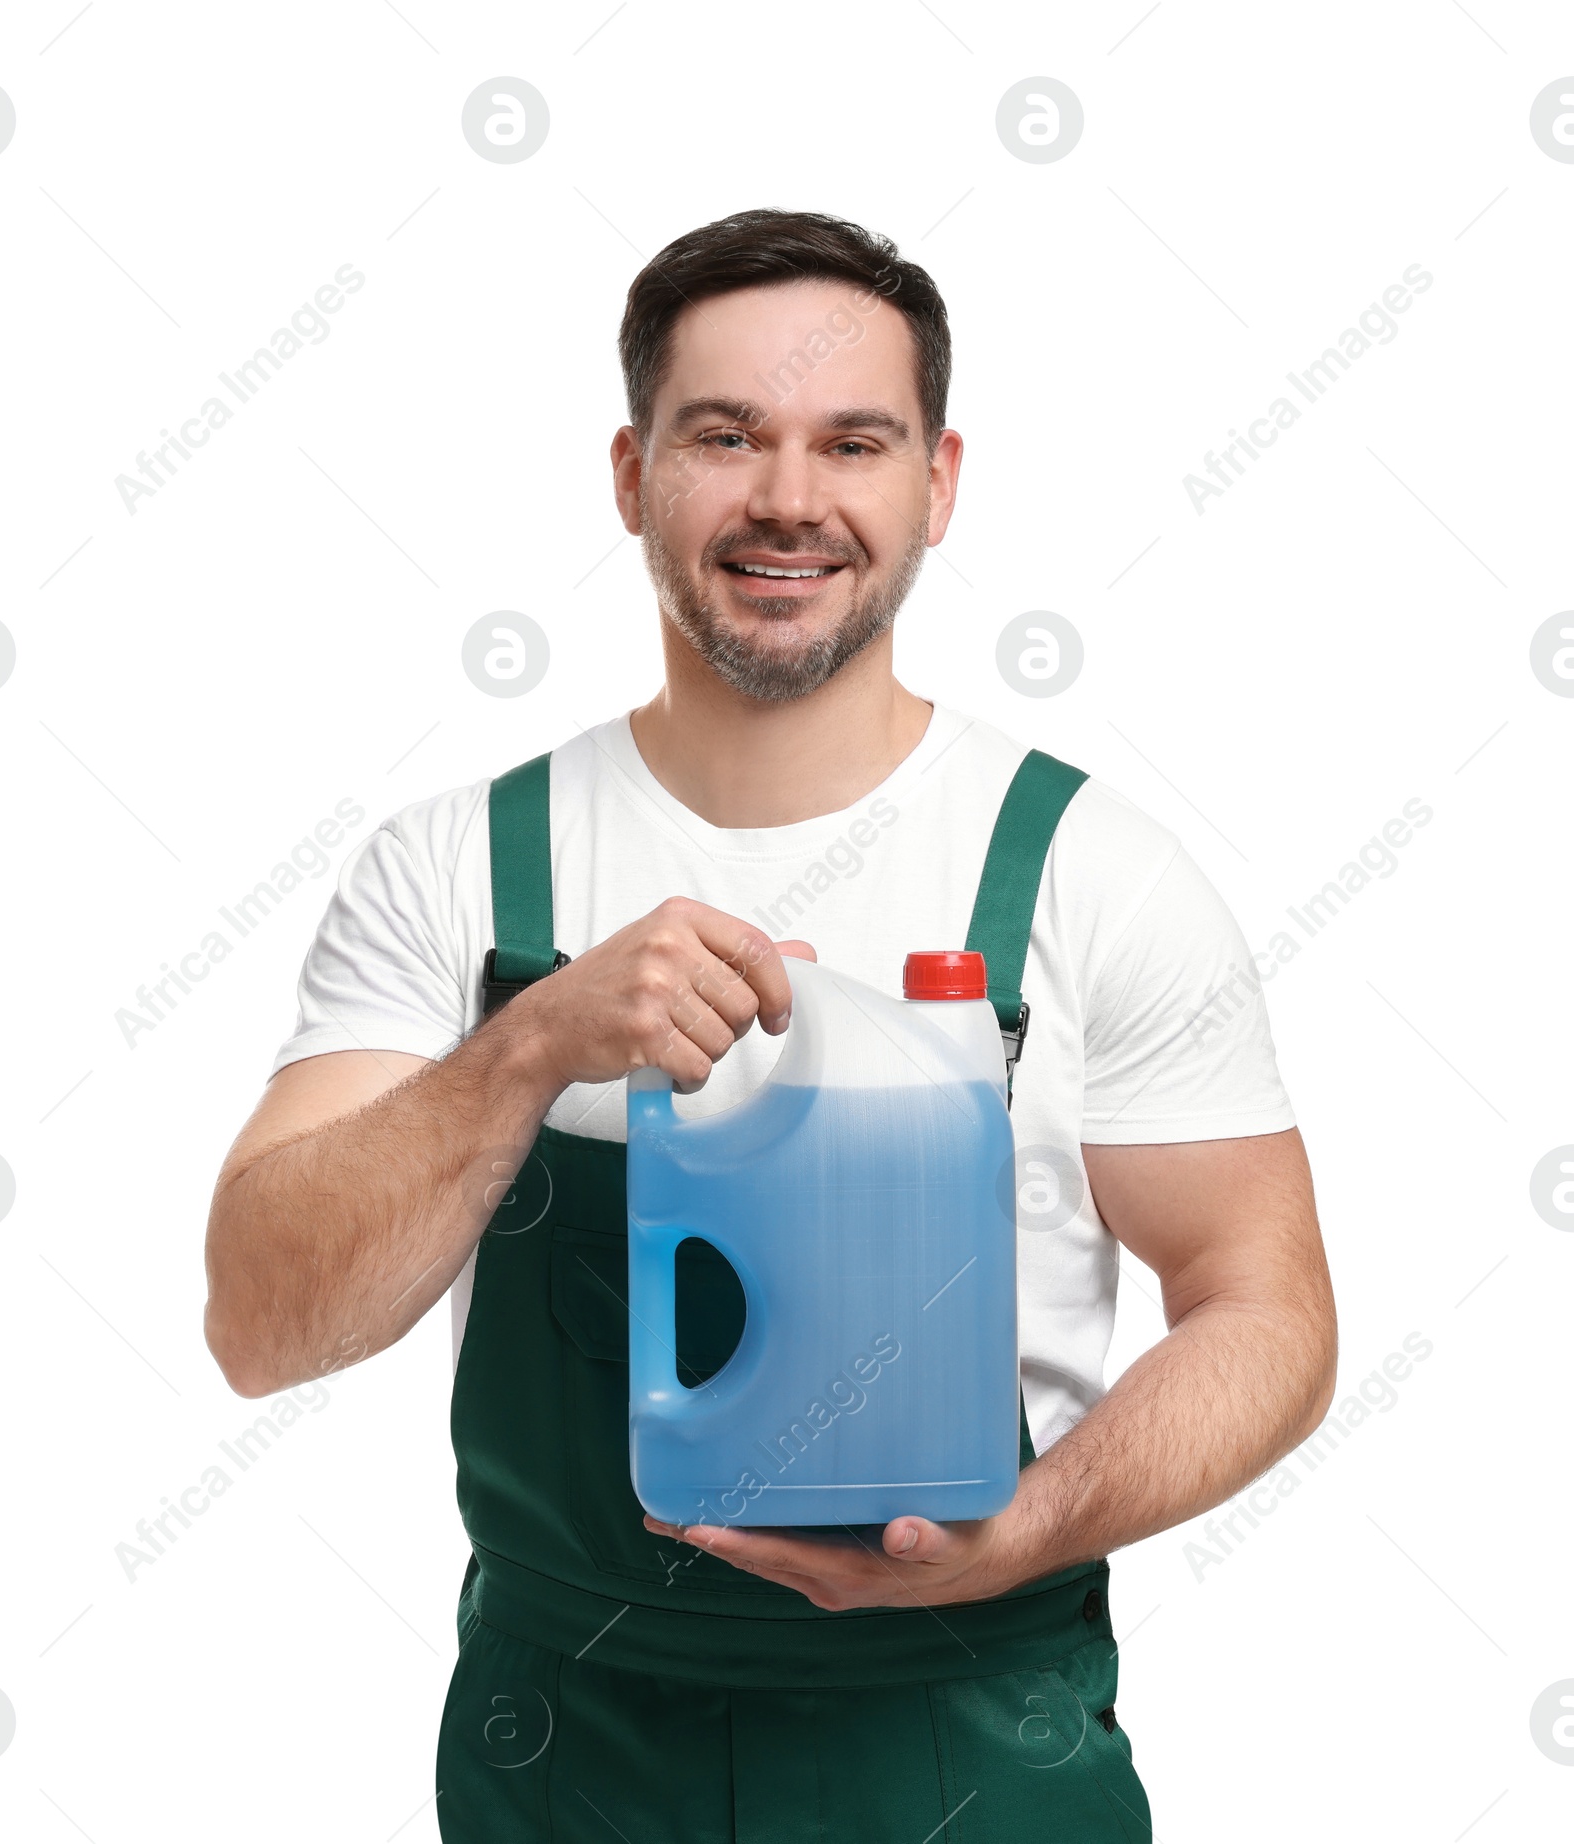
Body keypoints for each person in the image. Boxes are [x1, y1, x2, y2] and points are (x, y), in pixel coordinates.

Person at [204, 208, 1336, 1842]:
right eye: (724, 437)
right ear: (630, 473)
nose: (789, 498)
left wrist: (1034, 1524)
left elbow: (1268, 1309)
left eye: (851, 442)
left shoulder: (1089, 872)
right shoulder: (461, 870)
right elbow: (262, 1325)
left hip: (970, 1741)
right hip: (567, 1748)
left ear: (937, 482)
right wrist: (528, 1047)